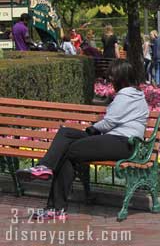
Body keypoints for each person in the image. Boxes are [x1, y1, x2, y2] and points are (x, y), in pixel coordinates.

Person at [16, 60, 149, 218]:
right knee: (65, 133)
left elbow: (109, 122)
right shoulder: (136, 95)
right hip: (117, 141)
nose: (110, 80)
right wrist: (93, 129)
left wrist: (92, 129)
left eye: (113, 76)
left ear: (121, 78)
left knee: (68, 151)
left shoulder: (126, 95)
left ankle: (55, 206)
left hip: (120, 142)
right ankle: (44, 169)